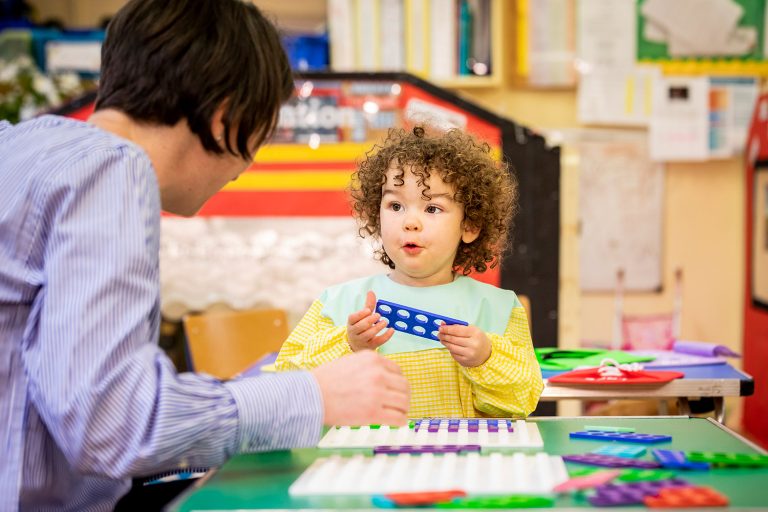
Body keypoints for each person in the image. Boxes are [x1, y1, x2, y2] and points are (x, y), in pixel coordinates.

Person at [0, 1, 409, 510]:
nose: (247, 164)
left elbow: (75, 392)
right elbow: (110, 425)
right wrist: (311, 397)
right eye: (261, 131)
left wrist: (287, 381)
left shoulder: (18, 145)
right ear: (226, 118)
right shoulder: (111, 172)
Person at [276, 126, 543, 418]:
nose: (410, 222)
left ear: (469, 226)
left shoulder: (498, 308)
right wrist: (348, 344)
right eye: (395, 205)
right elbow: (289, 387)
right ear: (376, 215)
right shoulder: (338, 303)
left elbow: (522, 401)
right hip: (365, 460)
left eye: (432, 209)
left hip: (459, 460)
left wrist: (486, 357)